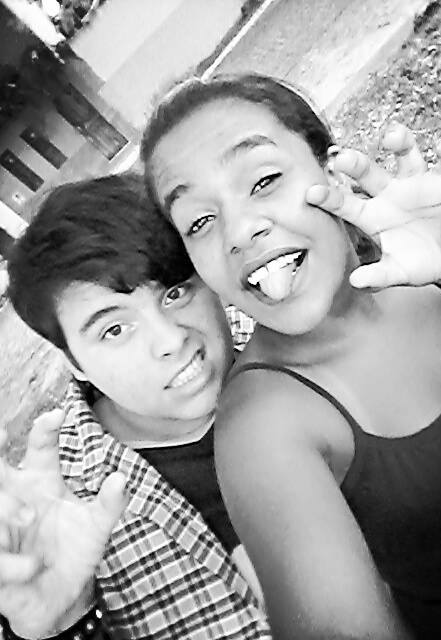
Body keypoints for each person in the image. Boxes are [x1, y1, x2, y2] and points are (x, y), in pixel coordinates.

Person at [140, 73, 441, 640]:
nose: (239, 231)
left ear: (331, 169)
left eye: (264, 180)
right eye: (199, 221)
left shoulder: (435, 269)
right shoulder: (262, 425)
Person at [0, 173, 269, 640]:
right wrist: (65, 625)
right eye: (114, 330)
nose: (171, 340)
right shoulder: (60, 512)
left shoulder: (293, 335)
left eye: (174, 292)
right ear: (75, 363)